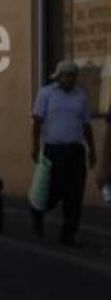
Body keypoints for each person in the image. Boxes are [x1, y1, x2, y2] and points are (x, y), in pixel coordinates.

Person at [31, 60, 97, 245]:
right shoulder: (46, 93)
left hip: (75, 151)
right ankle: (37, 211)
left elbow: (86, 125)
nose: (70, 79)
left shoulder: (81, 96)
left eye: (73, 75)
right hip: (54, 150)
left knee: (75, 195)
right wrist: (35, 147)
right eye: (66, 75)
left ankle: (68, 234)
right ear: (58, 76)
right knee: (52, 192)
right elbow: (37, 122)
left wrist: (92, 150)